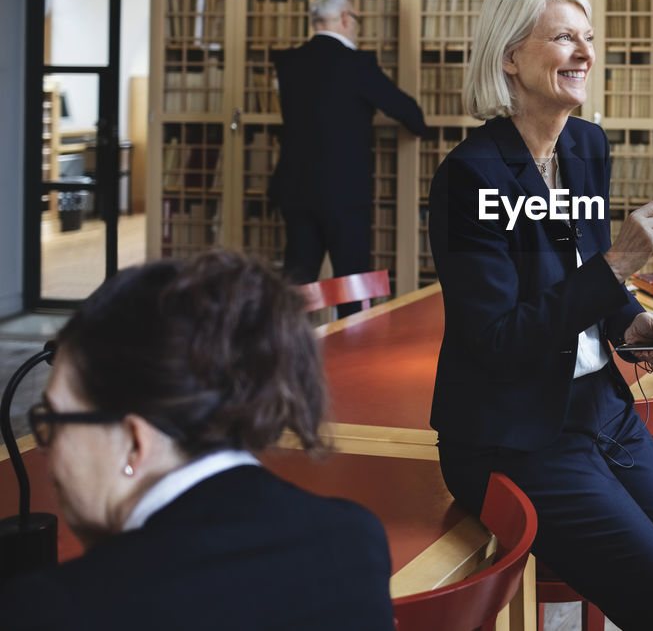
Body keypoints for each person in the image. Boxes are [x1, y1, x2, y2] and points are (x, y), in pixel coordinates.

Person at [428, 0, 653, 630]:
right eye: (564, 36)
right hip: (517, 437)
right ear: (510, 55)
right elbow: (496, 339)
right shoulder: (470, 176)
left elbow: (586, 283)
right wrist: (617, 264)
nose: (585, 53)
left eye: (589, 38)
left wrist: (629, 319)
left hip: (604, 409)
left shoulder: (585, 146)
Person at [0, 250, 394, 630]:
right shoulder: (355, 540)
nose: (47, 453)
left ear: (135, 441)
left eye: (52, 420)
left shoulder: (51, 609)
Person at [270, 0, 431, 295]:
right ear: (345, 19)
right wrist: (421, 128)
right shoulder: (357, 64)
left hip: (294, 186)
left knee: (297, 283)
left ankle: (288, 342)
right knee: (351, 283)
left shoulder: (288, 63)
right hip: (343, 191)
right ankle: (352, 342)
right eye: (355, 19)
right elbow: (408, 112)